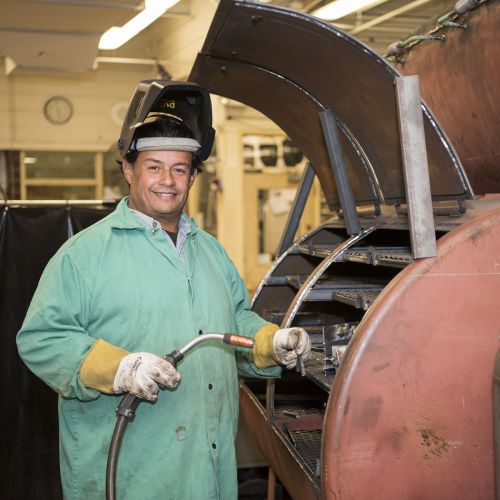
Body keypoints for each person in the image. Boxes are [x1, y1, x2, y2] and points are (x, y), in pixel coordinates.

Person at [16, 81, 311, 500]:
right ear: (128, 170)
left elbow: (233, 323)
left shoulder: (210, 251)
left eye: (179, 169)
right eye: (154, 166)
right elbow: (42, 339)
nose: (167, 181)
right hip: (129, 472)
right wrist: (117, 368)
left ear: (193, 176)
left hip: (207, 472)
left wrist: (269, 341)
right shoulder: (84, 255)